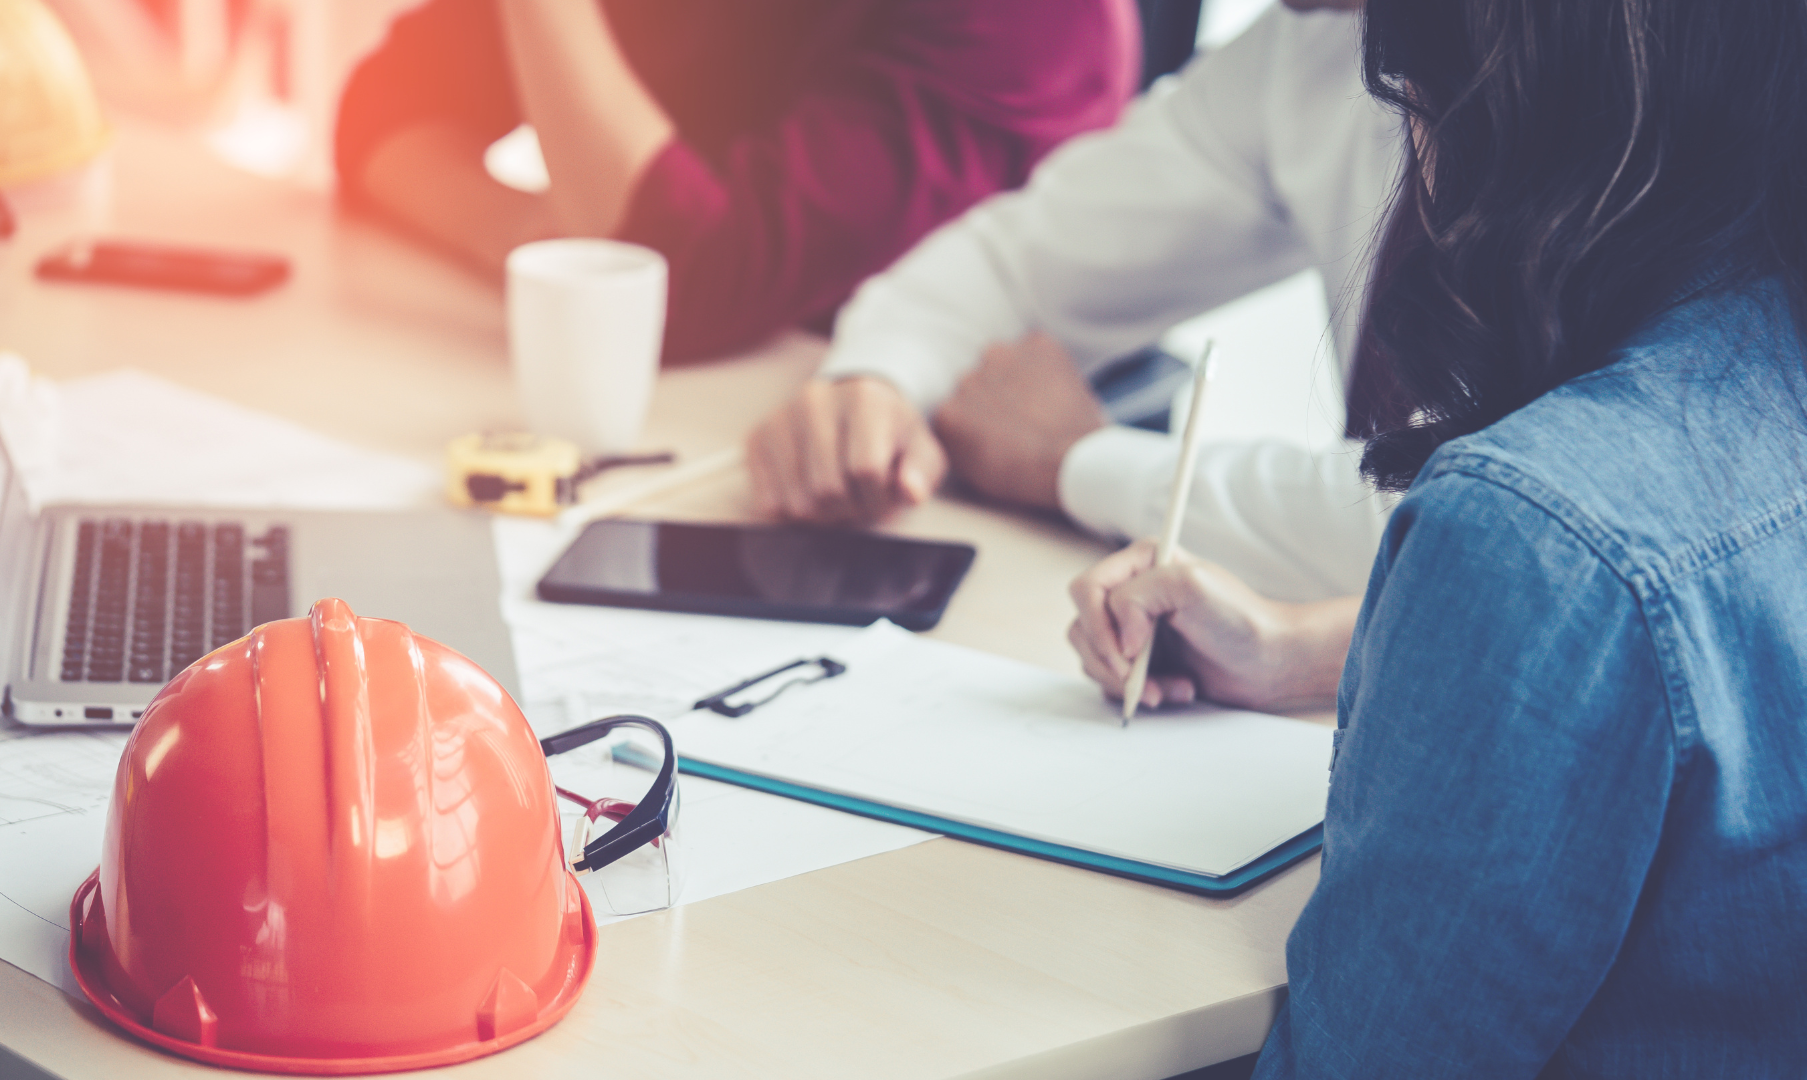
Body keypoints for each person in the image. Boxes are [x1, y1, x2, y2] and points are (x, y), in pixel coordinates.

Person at [1086, 0, 1807, 1072]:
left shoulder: (1538, 529)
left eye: (1410, 109)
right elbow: (1700, 660)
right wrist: (1298, 653)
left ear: (1500, 125)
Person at [745, 0, 1397, 613]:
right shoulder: (1306, 47)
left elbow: (1450, 519)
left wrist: (1075, 459)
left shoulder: (1491, 86)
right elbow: (1015, 266)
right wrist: (879, 378)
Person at [333, 0, 1138, 363]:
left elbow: (676, 293)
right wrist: (530, 238)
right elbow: (381, 112)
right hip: (701, 417)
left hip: (946, 485)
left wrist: (613, 256)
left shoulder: (1039, 17)